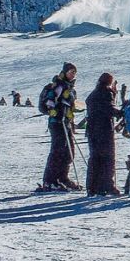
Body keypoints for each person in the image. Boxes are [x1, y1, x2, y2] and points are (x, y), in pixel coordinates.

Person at [37, 62, 81, 192]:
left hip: (66, 122)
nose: (72, 74)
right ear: (65, 72)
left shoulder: (70, 88)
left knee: (69, 152)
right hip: (57, 123)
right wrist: (53, 110)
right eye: (71, 72)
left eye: (74, 72)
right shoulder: (58, 85)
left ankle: (62, 177)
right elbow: (50, 102)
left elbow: (71, 104)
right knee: (57, 152)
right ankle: (50, 180)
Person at [84, 72, 121, 195]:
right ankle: (107, 184)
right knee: (108, 157)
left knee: (95, 158)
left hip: (92, 129)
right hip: (104, 129)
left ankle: (92, 186)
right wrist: (121, 112)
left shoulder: (93, 94)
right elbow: (109, 109)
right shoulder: (106, 92)